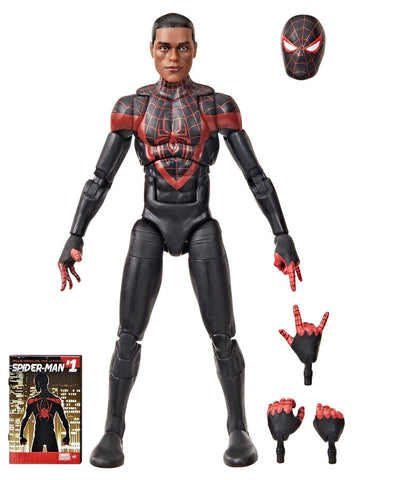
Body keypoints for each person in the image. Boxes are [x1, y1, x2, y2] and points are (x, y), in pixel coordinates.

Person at [58, 12, 301, 468]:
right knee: (127, 336)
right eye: (165, 47)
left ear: (195, 50)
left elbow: (255, 175)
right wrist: (76, 234)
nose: (173, 57)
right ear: (151, 50)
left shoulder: (214, 104)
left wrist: (281, 234)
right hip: (151, 223)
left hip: (199, 222)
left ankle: (239, 429)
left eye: (182, 47)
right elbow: (100, 178)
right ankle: (112, 432)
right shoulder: (132, 107)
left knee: (223, 335)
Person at [20, 373, 70, 452]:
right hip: (50, 435)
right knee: (53, 458)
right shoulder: (55, 400)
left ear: (38, 383)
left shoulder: (32, 401)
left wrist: (21, 435)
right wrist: (67, 435)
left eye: (35, 383)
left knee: (35, 459)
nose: (35, 386)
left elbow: (25, 419)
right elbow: (64, 420)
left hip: (38, 435)